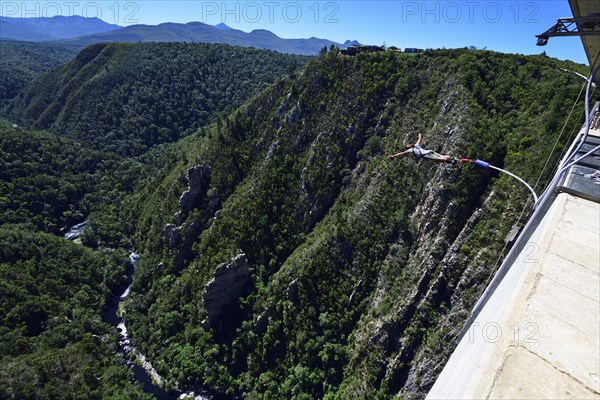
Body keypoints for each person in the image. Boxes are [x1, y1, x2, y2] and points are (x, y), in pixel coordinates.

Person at [387, 133, 461, 167]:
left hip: (427, 155)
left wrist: (394, 156)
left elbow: (401, 153)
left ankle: (453, 161)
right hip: (430, 151)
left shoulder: (410, 150)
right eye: (407, 145)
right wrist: (420, 136)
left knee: (440, 159)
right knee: (442, 157)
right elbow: (419, 140)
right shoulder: (415, 146)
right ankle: (453, 159)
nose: (408, 144)